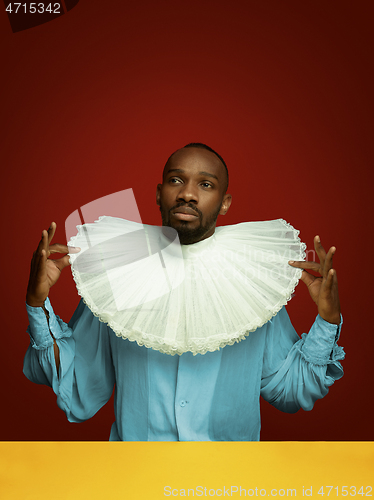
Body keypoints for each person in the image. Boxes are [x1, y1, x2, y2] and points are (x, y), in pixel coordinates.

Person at [24, 143, 344, 441]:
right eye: (177, 180)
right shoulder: (118, 274)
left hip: (229, 482)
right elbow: (79, 380)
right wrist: (38, 304)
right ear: (160, 193)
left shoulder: (253, 283)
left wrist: (327, 322)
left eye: (205, 184)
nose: (188, 194)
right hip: (137, 479)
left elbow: (290, 389)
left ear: (225, 202)